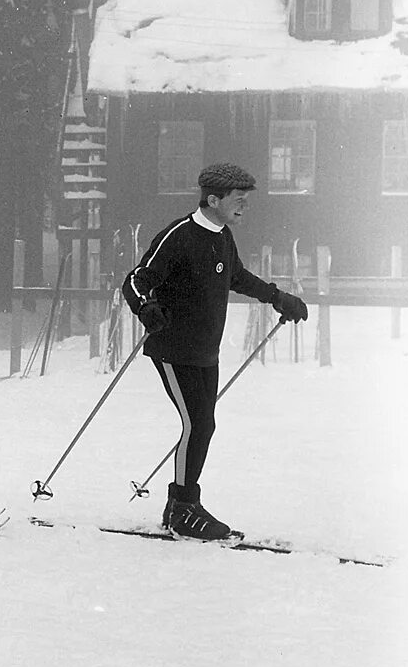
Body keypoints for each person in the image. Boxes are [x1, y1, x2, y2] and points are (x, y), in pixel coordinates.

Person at [121, 162, 308, 541]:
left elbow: (236, 276)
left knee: (203, 425)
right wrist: (146, 307)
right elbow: (137, 280)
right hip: (174, 348)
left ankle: (180, 507)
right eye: (238, 200)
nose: (244, 207)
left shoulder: (222, 235)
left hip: (206, 350)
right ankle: (184, 508)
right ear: (212, 199)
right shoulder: (179, 235)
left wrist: (277, 297)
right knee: (198, 424)